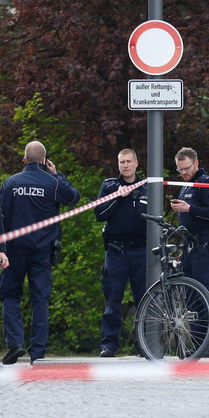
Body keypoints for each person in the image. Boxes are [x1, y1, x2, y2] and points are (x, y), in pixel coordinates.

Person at [0, 141, 80, 365]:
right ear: (44, 161)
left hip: (13, 251)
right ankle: (38, 351)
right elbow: (74, 198)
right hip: (42, 253)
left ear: (24, 159)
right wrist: (58, 174)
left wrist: (0, 250)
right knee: (40, 300)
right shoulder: (52, 183)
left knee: (10, 296)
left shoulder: (9, 183)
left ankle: (15, 343)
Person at [170, 147, 209, 357]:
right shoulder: (186, 186)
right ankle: (200, 344)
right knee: (193, 298)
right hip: (189, 249)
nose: (184, 172)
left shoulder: (208, 184)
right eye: (180, 170)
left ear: (196, 163)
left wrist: (190, 209)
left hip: (205, 249)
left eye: (186, 168)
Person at [95, 149, 148, 358]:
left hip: (140, 251)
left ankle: (143, 344)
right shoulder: (109, 186)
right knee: (112, 301)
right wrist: (119, 196)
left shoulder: (147, 187)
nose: (125, 165)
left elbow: (151, 216)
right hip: (116, 251)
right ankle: (109, 345)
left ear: (136, 163)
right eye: (121, 162)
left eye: (128, 161)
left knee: (143, 300)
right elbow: (99, 215)